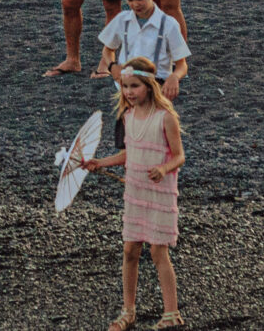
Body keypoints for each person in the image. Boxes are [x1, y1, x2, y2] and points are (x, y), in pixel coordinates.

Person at [85, 55, 185, 331]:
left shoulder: (165, 118)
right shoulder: (128, 117)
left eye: (134, 86)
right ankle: (128, 310)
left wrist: (164, 169)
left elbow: (179, 156)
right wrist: (100, 163)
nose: (128, 92)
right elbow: (128, 154)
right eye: (125, 87)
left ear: (149, 86)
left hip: (160, 193)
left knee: (157, 251)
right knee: (130, 249)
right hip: (135, 191)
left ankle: (171, 313)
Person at [98, 0, 190, 100]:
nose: (135, 4)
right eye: (130, 0)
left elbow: (182, 65)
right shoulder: (122, 20)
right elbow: (108, 50)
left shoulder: (169, 24)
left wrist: (174, 77)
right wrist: (112, 67)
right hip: (125, 89)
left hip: (156, 89)